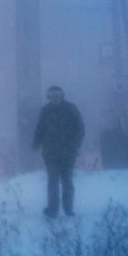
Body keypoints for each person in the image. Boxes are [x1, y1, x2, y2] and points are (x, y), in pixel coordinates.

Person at [31, 85, 85, 217]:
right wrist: (36, 144)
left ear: (62, 95)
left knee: (67, 181)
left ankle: (68, 209)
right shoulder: (45, 111)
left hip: (69, 153)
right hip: (50, 154)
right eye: (52, 95)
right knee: (53, 181)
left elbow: (80, 129)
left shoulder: (71, 109)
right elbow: (40, 129)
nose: (55, 98)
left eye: (57, 95)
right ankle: (53, 210)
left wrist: (75, 146)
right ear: (48, 97)